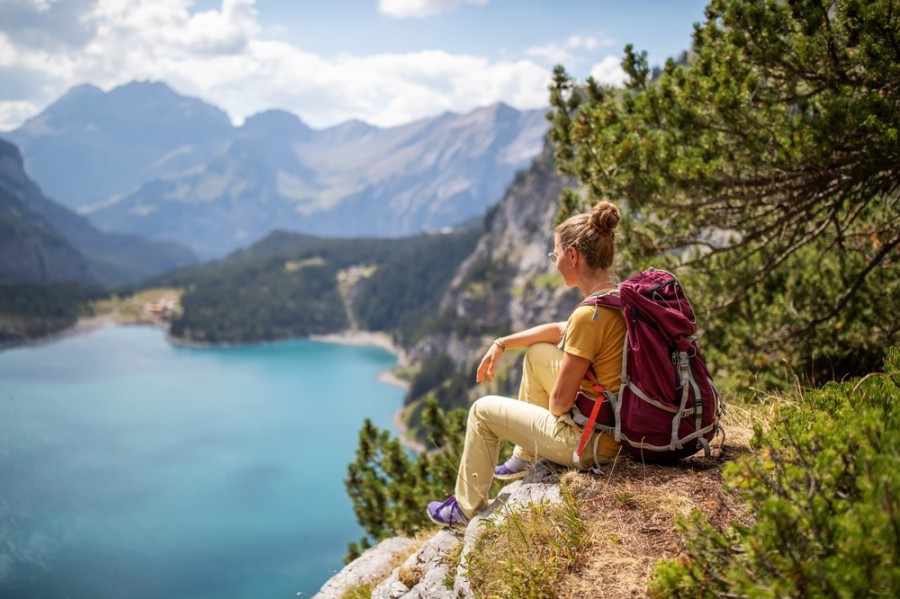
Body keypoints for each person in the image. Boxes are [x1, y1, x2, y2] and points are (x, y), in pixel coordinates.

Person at [426, 200, 628, 526]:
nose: (555, 262)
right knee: (537, 353)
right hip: (615, 425)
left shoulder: (588, 316)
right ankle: (527, 454)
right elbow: (559, 331)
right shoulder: (615, 298)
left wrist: (563, 397)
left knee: (482, 411)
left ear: (573, 256)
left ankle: (465, 509)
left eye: (555, 255)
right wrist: (502, 343)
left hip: (592, 443)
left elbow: (560, 403)